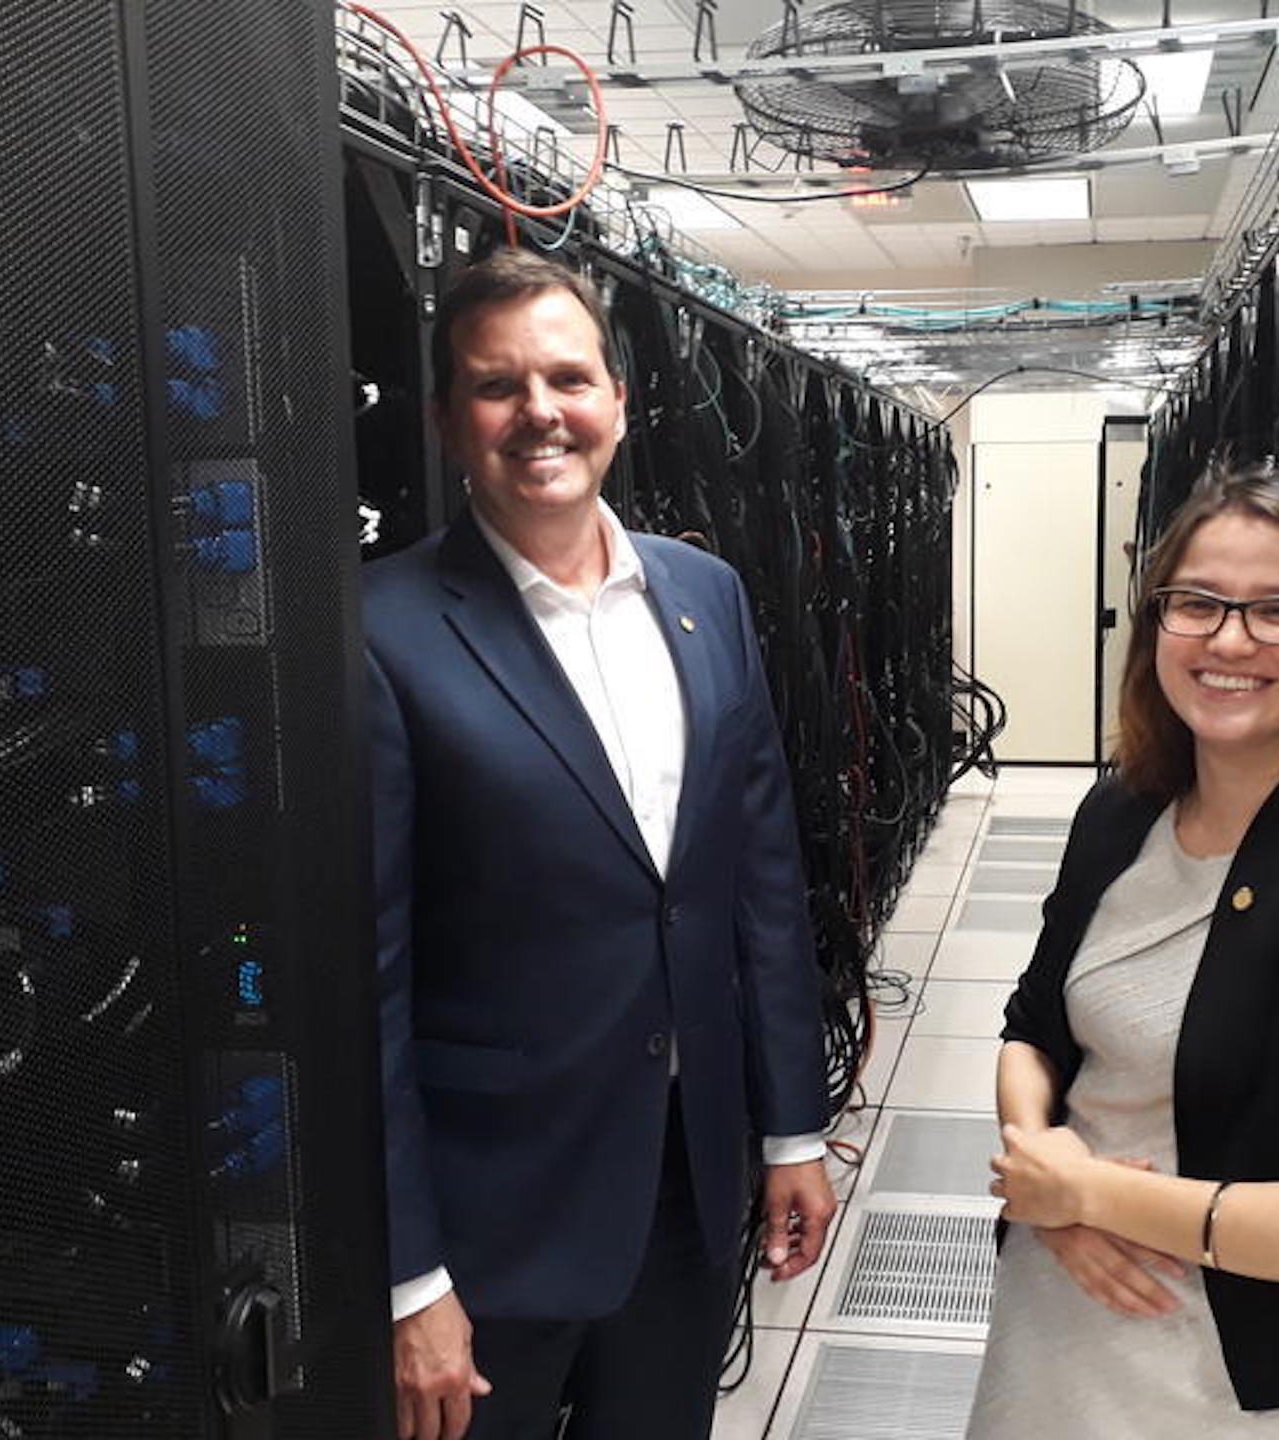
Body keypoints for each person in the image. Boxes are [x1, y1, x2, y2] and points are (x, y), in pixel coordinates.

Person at [363, 249, 836, 1440]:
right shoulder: (380, 631)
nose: (539, 413)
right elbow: (360, 980)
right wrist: (408, 1276)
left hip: (686, 1181)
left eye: (568, 378)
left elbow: (761, 888)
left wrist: (791, 1130)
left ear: (619, 400)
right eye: (496, 386)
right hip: (492, 1220)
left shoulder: (705, 595)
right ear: (445, 419)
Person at [968, 462, 1279, 1438]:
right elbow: (1032, 1031)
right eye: (1197, 604)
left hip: (1217, 1368)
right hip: (1054, 1309)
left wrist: (1086, 1193)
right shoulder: (1122, 809)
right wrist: (1048, 1170)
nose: (1230, 640)